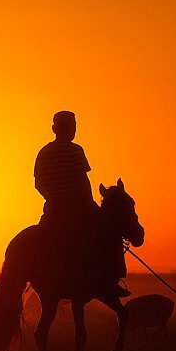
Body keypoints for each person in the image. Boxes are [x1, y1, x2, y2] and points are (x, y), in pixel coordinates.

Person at [33, 110, 130, 297]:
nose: (73, 130)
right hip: (77, 207)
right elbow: (82, 180)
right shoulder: (75, 150)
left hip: (52, 209)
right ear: (59, 128)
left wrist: (53, 197)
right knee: (110, 233)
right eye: (71, 126)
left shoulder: (43, 152)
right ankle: (112, 280)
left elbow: (38, 183)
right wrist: (89, 204)